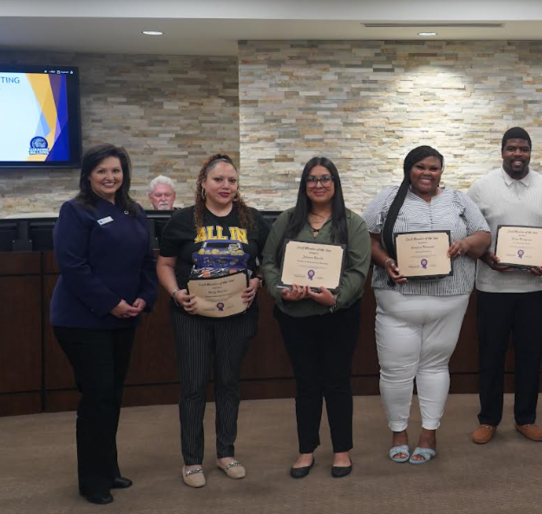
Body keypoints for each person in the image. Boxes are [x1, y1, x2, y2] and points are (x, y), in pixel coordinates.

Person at [363, 146, 490, 465]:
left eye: (434, 168)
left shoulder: (459, 199)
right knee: (395, 371)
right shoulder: (388, 197)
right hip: (397, 298)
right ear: (408, 169)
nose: (427, 173)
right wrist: (386, 260)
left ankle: (429, 432)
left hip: (451, 297)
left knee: (435, 366)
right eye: (420, 167)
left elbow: (484, 235)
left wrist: (465, 245)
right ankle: (399, 432)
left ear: (441, 172)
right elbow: (367, 238)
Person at [50, 144, 157, 505]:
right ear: (88, 176)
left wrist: (145, 297)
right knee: (97, 397)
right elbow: (73, 267)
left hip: (124, 317)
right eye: (102, 172)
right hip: (82, 321)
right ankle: (92, 481)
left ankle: (108, 468)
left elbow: (147, 261)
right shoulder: (75, 211)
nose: (110, 177)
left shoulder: (134, 211)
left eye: (116, 171)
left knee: (111, 396)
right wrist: (111, 304)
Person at [156, 154, 270, 487]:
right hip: (192, 315)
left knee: (229, 384)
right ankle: (191, 460)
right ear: (203, 183)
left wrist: (257, 281)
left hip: (237, 314)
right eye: (218, 180)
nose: (225, 186)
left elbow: (266, 261)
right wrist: (176, 293)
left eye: (232, 181)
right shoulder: (181, 221)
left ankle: (225, 453)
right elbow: (164, 264)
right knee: (193, 387)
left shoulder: (253, 220)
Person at [261, 157, 371, 479]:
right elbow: (268, 262)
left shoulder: (353, 223)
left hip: (339, 316)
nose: (318, 184)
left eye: (325, 178)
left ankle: (341, 450)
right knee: (306, 384)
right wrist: (281, 290)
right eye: (311, 179)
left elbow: (357, 271)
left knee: (336, 382)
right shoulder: (287, 221)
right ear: (304, 185)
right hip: (295, 316)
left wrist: (335, 298)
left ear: (335, 184)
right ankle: (306, 450)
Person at [467, 127, 542, 445]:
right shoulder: (481, 187)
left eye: (523, 149)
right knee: (491, 356)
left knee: (530, 355)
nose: (518, 154)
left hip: (535, 288)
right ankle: (488, 420)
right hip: (492, 286)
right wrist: (486, 258)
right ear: (502, 151)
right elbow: (470, 231)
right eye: (512, 148)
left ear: (530, 152)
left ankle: (526, 418)